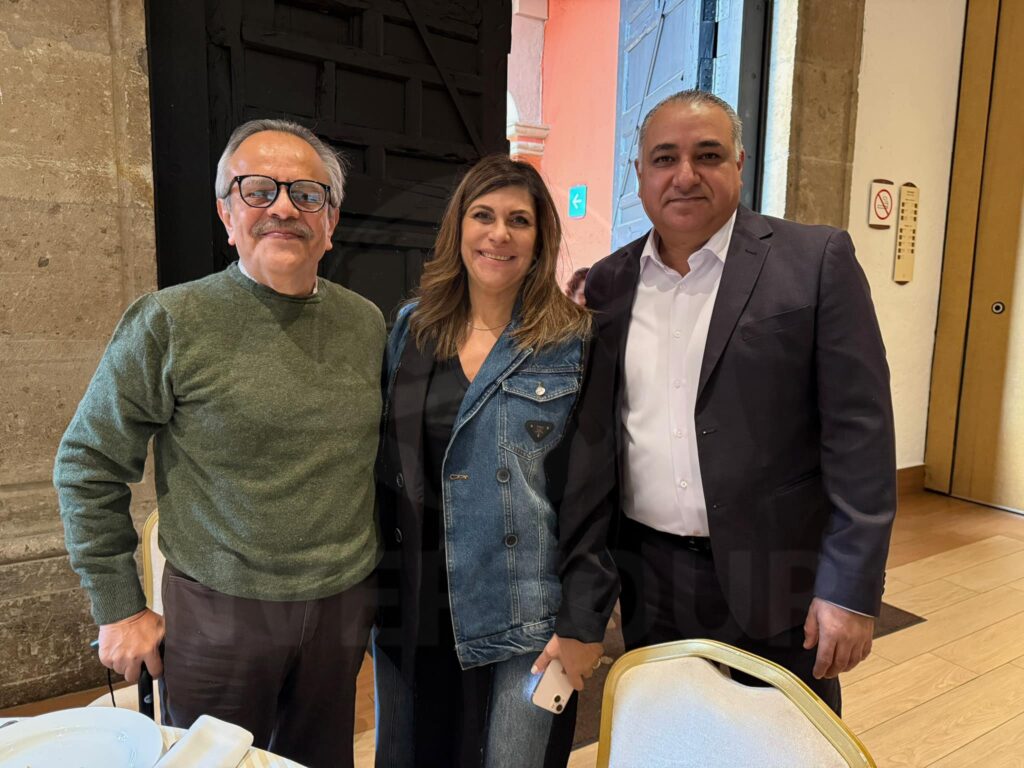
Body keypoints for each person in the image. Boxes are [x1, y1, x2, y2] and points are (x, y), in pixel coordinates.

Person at [53, 119, 385, 768]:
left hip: (340, 607)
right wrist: (118, 608)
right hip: (219, 614)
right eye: (257, 190)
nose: (283, 207)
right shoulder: (169, 321)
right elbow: (87, 463)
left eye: (306, 194)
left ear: (330, 222)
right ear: (226, 214)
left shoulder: (366, 323)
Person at [567, 90, 896, 714]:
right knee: (667, 734)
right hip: (650, 576)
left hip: (779, 576)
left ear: (739, 164)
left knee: (782, 741)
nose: (685, 175)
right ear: (639, 174)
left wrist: (850, 588)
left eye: (708, 155)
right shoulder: (609, 282)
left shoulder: (815, 261)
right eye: (665, 158)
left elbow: (862, 435)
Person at [373, 154, 619, 767]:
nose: (499, 234)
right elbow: (385, 469)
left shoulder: (574, 341)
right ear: (458, 228)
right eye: (483, 215)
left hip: (526, 614)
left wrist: (584, 619)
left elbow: (594, 493)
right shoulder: (413, 328)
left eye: (519, 220)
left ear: (540, 239)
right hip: (415, 606)